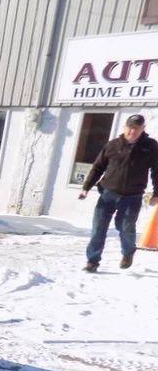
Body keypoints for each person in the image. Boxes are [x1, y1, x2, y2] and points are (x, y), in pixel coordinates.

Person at [79, 114, 158, 271]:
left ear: (143, 129)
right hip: (108, 193)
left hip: (132, 196)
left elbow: (157, 171)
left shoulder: (150, 147)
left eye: (137, 128)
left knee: (126, 227)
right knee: (98, 228)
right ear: (125, 127)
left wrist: (156, 193)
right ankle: (92, 261)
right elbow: (98, 167)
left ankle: (128, 252)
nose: (132, 131)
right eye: (130, 127)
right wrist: (86, 187)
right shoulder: (113, 145)